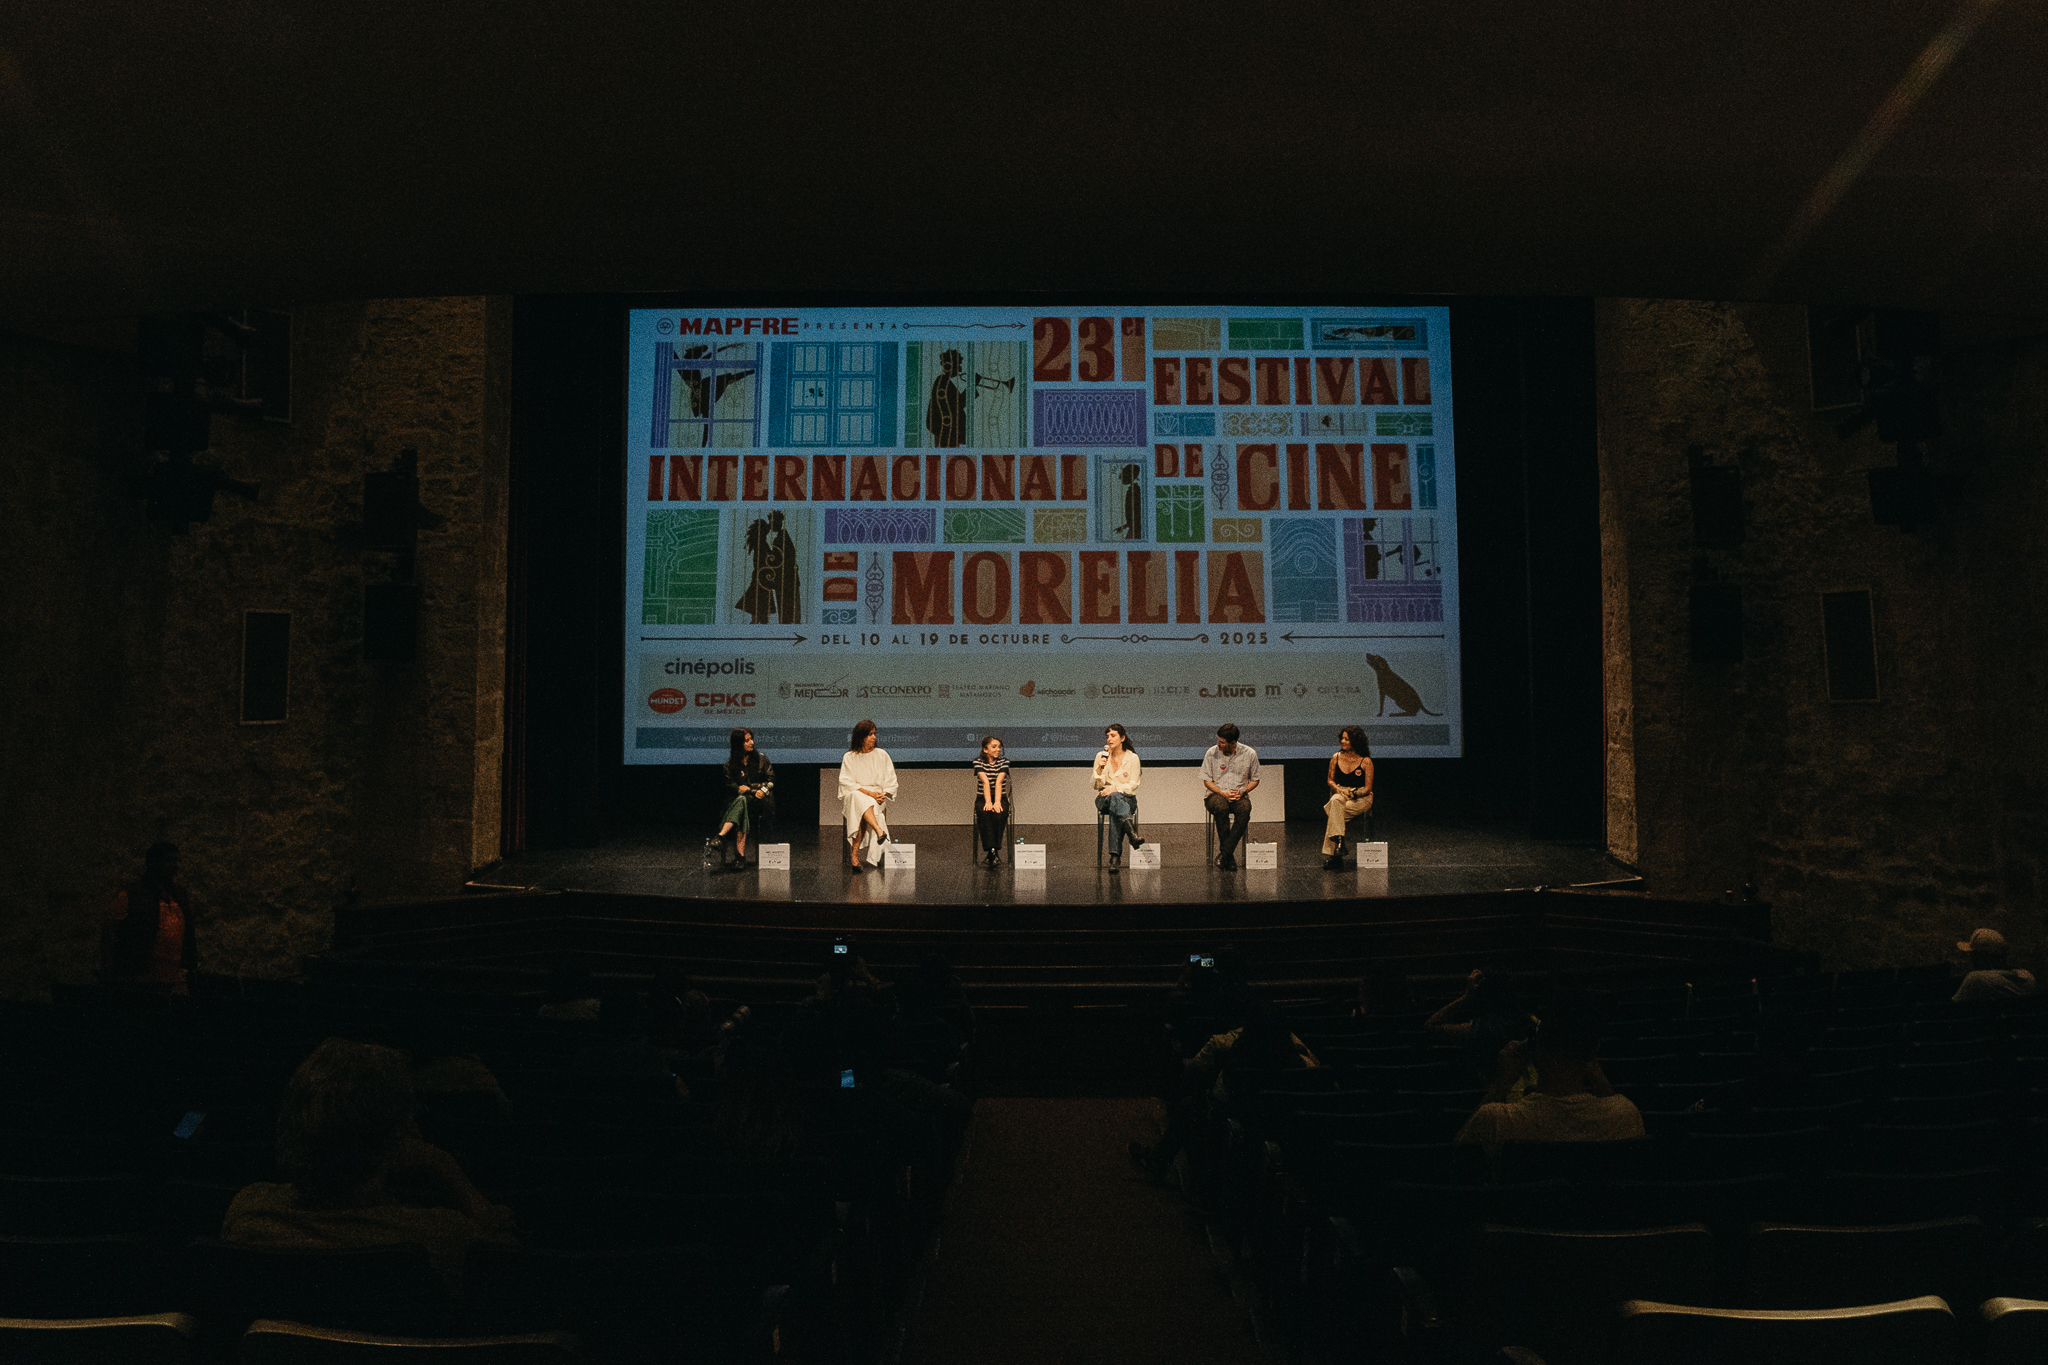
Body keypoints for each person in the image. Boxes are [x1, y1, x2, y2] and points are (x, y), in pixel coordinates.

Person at [221, 1038, 518, 1293]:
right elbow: (513, 1260)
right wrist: (447, 1168)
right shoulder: (439, 1237)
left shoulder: (249, 1213)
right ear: (397, 1137)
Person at [1455, 1000, 1642, 1152]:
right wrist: (1593, 1066)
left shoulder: (1495, 1120)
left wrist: (1502, 1083)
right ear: (1593, 1053)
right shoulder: (1625, 1115)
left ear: (1535, 1049)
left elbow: (1458, 1155)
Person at [102, 841, 197, 995]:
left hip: (175, 983)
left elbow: (188, 936)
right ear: (153, 863)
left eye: (176, 861)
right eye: (169, 861)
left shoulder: (178, 895)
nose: (175, 866)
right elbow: (110, 936)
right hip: (141, 982)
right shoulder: (131, 896)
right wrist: (112, 976)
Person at [1427, 968, 1538, 1084]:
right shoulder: (1532, 1021)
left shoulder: (1481, 1028)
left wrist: (1466, 997)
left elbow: (1431, 1026)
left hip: (1498, 1093)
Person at [709, 727, 775, 871]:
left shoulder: (762, 759)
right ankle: (740, 857)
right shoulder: (729, 765)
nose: (752, 742)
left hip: (758, 802)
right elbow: (732, 787)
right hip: (739, 802)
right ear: (739, 744)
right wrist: (746, 790)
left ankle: (720, 836)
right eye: (747, 740)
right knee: (742, 803)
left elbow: (771, 780)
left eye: (751, 739)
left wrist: (753, 790)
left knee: (742, 801)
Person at [838, 719, 897, 871]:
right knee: (858, 799)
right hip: (856, 795)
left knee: (861, 805)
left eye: (874, 734)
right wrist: (868, 793)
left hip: (877, 798)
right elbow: (846, 783)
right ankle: (878, 830)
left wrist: (882, 794)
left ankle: (855, 855)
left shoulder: (882, 755)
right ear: (860, 737)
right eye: (870, 734)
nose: (874, 738)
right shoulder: (849, 757)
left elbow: (891, 780)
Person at [1200, 723, 1260, 870]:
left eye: (1222, 742)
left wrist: (1243, 791)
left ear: (1233, 743)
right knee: (1221, 807)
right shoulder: (1211, 753)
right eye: (1218, 741)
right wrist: (1222, 792)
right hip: (1216, 794)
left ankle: (1225, 854)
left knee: (1245, 810)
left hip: (1239, 795)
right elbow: (1207, 781)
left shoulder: (1249, 754)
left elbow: (1255, 779)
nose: (1218, 744)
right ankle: (1229, 856)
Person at [1092, 723, 1144, 872]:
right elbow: (1095, 785)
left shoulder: (1132, 758)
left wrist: (1116, 789)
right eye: (1107, 736)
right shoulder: (1100, 756)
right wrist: (1100, 768)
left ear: (1122, 738)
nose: (1109, 739)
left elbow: (1134, 784)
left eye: (1113, 735)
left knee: (1116, 808)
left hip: (1127, 799)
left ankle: (1115, 858)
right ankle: (1131, 833)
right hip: (1104, 799)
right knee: (1114, 800)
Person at [1322, 725, 1375, 869]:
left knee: (1334, 811)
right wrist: (1340, 789)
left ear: (1355, 741)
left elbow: (1367, 788)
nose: (1343, 741)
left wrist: (1352, 793)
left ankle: (1334, 856)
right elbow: (1330, 780)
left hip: (1361, 798)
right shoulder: (1336, 757)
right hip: (1342, 795)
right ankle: (1339, 842)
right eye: (1342, 738)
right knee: (1335, 801)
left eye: (1347, 739)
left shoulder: (1365, 762)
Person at [1954, 928, 2038, 1002]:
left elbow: (1952, 1008)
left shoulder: (1975, 979)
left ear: (1981, 957)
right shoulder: (2027, 978)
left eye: (1973, 955)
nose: (1972, 959)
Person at [973, 735, 1010, 867]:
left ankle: (994, 850)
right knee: (984, 814)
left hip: (1001, 797)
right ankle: (991, 850)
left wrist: (997, 802)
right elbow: (986, 782)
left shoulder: (1004, 762)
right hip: (983, 796)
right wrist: (989, 802)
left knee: (999, 814)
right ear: (985, 749)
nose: (998, 749)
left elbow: (999, 782)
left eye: (999, 747)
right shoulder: (978, 762)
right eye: (994, 747)